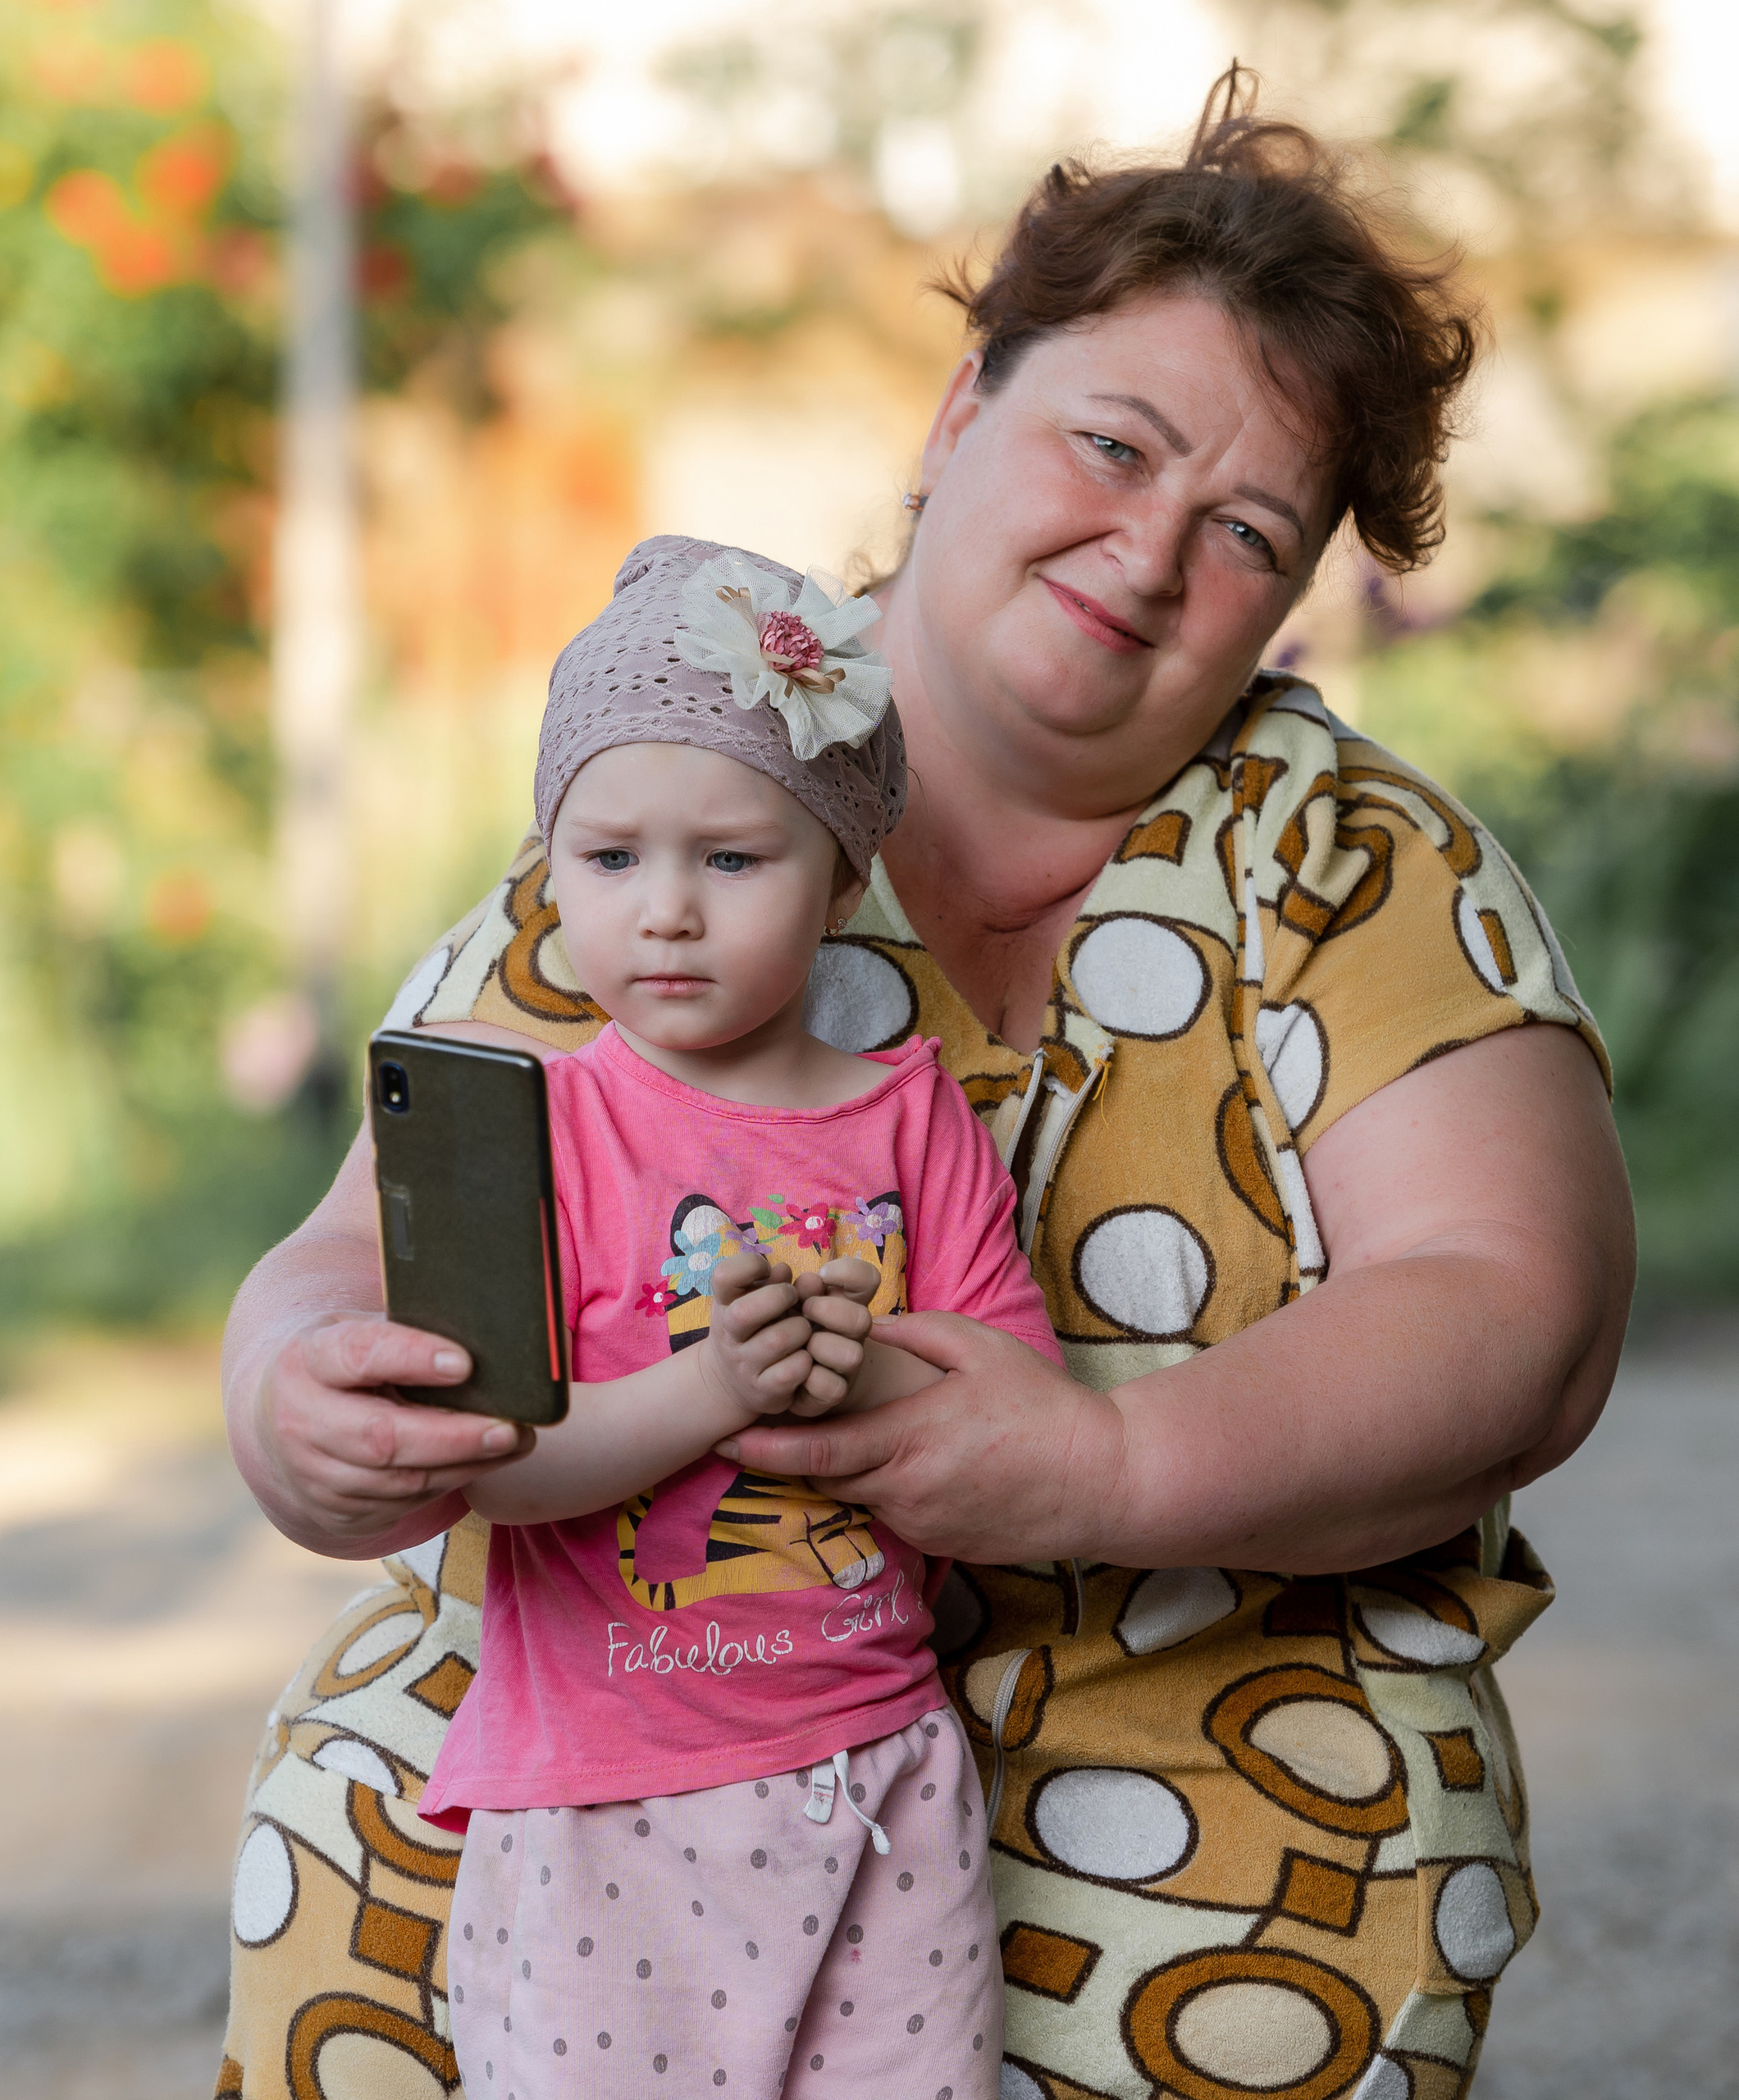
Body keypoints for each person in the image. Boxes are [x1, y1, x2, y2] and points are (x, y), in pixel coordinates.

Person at [213, 73, 1634, 2100]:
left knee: (1278, 1941)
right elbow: (360, 1241)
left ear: (1297, 589)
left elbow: (1519, 1309)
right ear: (958, 412)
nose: (1145, 556)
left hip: (1199, 1699)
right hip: (630, 1674)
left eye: (1240, 531)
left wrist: (1107, 1473)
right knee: (367, 1853)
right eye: (1106, 443)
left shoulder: (1346, 861)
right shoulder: (686, 785)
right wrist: (295, 1392)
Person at [422, 539, 1063, 2098]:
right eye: (611, 858)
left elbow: (1022, 1405)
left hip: (878, 1769)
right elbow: (490, 1463)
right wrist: (714, 1392)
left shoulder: (914, 1119)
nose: (667, 916)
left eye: (732, 860)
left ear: (844, 878)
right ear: (550, 861)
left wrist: (858, 1378)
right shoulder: (541, 1134)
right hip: (603, 1800)